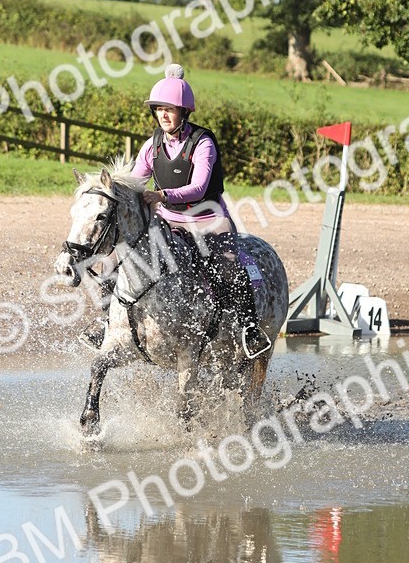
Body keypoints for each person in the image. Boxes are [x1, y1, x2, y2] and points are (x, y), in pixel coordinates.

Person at [79, 64, 273, 358]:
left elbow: (197, 187)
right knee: (112, 262)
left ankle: (249, 330)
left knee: (229, 267)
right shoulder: (151, 145)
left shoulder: (203, 143)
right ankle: (106, 325)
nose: (164, 115)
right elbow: (136, 181)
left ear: (185, 112)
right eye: (159, 109)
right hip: (167, 222)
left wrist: (162, 195)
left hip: (208, 220)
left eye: (170, 109)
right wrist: (113, 193)